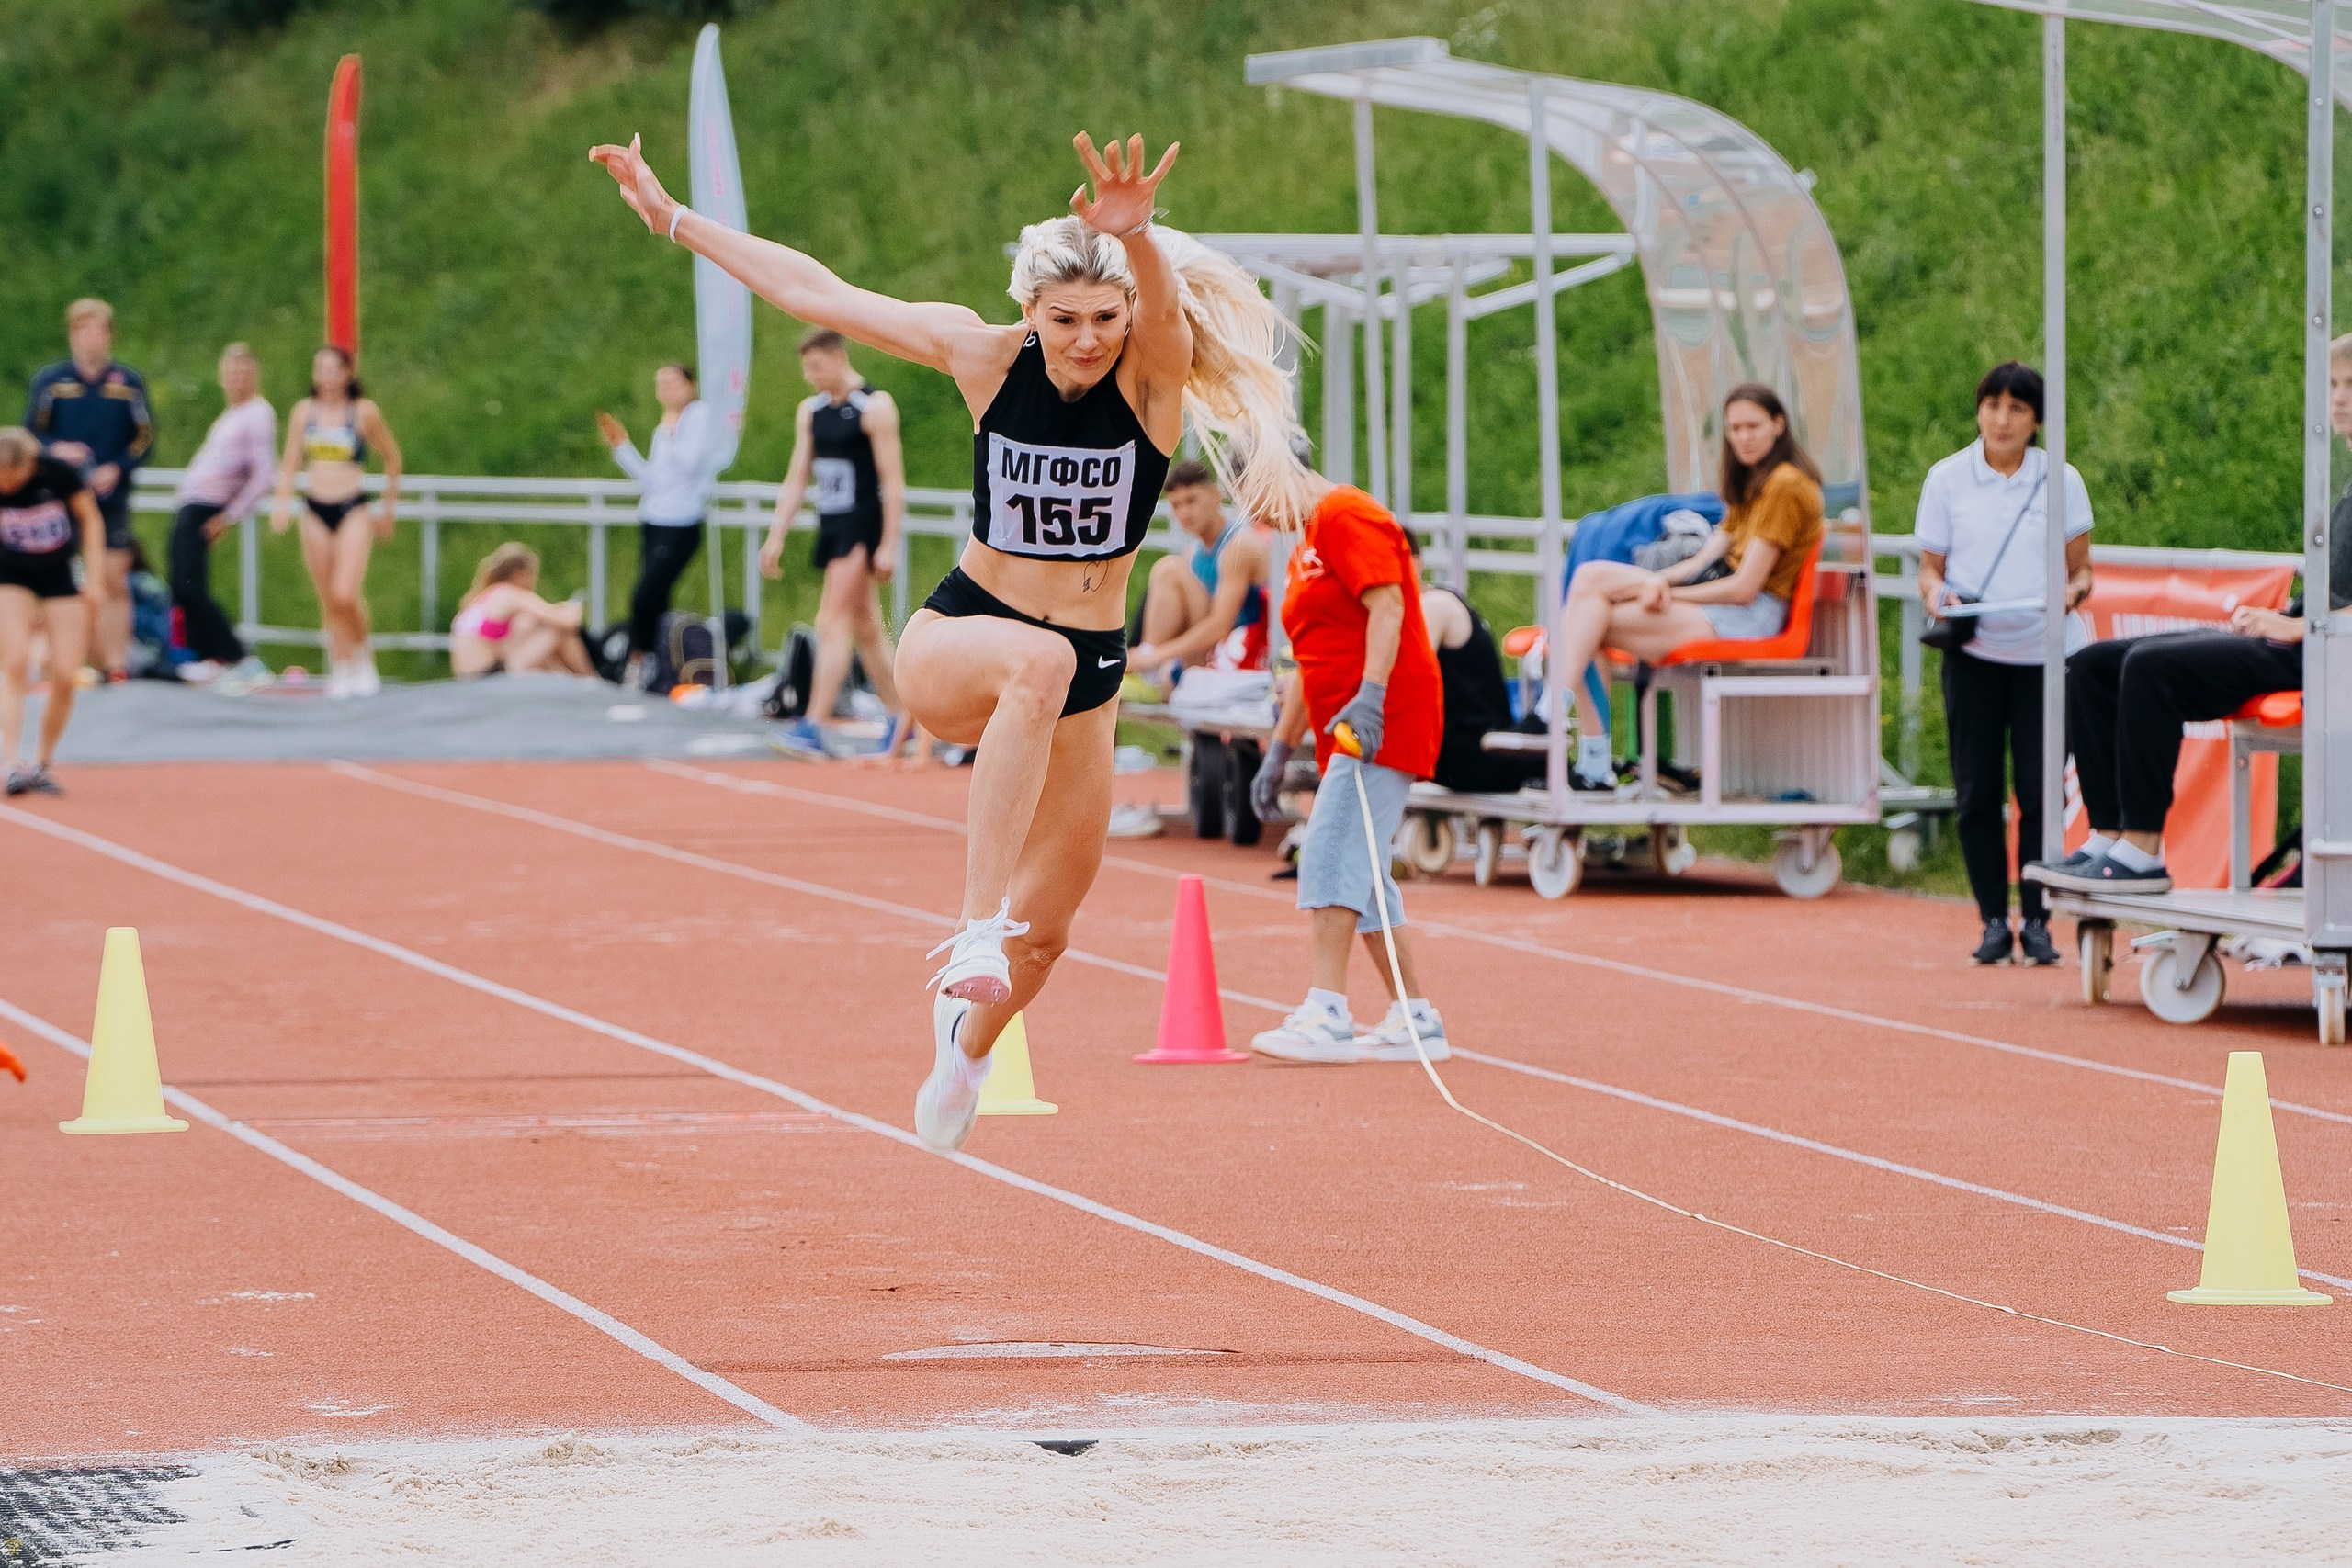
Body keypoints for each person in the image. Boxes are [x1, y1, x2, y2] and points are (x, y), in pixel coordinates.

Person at [593, 127, 1313, 1151]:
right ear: (1027, 310)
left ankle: (963, 1046)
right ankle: (971, 926)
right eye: (1063, 320)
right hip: (965, 632)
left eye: (1103, 320)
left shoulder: (1152, 379)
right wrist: (674, 219)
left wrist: (1136, 236)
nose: (1084, 341)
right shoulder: (985, 356)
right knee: (1036, 660)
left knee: (1053, 930)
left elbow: (1155, 308)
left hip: (1089, 677)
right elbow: (819, 293)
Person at [2033, 336, 2352, 897]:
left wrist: (2303, 627)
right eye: (2333, 386)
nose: (2340, 399)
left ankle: (2142, 852)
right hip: (2307, 634)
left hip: (2328, 654)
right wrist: (2292, 616)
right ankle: (2106, 838)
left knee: (2153, 668)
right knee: (2094, 664)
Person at [1245, 443, 1449, 1064]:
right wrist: (1280, 749)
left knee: (1331, 850)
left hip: (1382, 717)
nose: (1252, 515)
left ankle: (1328, 1011)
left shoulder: (1343, 515)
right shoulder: (1305, 540)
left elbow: (1388, 603)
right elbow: (1313, 658)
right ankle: (1415, 1017)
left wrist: (1372, 696)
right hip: (1347, 725)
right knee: (1365, 870)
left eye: (1250, 496)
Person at [1547, 384, 1824, 792]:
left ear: (1778, 425)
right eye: (1734, 428)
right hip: (1722, 599)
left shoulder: (1785, 485)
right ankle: (1563, 726)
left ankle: (1573, 740)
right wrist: (1660, 580)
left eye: (1753, 426)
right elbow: (1702, 559)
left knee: (1585, 620)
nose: (1743, 437)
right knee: (1590, 584)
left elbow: (1745, 588)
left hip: (1750, 614)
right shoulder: (1753, 482)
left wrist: (1669, 595)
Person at [1916, 362, 2094, 965]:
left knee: (2040, 792)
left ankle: (2039, 918)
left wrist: (2070, 595)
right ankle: (1994, 917)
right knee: (1976, 791)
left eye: (2017, 408)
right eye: (1992, 404)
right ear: (1978, 411)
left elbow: (2082, 569)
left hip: (2046, 655)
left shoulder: (2061, 479)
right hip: (1975, 654)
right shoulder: (1947, 478)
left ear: (2036, 420)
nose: (2002, 418)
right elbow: (1930, 567)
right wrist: (1937, 596)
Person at [760, 328, 909, 757]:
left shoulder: (874, 407)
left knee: (831, 620)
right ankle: (903, 717)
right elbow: (797, 476)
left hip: (862, 527)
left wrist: (888, 545)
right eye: (805, 367)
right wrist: (776, 536)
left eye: (816, 366)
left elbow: (893, 483)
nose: (810, 375)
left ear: (838, 358)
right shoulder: (812, 411)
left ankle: (813, 724)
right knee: (867, 630)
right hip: (832, 526)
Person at [27, 299, 152, 682]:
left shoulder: (127, 384)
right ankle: (69, 660)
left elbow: (144, 439)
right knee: (63, 578)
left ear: (109, 336)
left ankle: (115, 663)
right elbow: (31, 433)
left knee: (113, 578)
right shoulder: (53, 382)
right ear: (72, 336)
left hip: (110, 497)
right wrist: (56, 450)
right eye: (83, 331)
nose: (90, 339)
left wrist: (118, 467)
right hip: (62, 498)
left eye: (98, 331)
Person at [268, 346, 401, 698]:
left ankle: (362, 655)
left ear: (347, 374)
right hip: (315, 509)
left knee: (346, 592)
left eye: (333, 369)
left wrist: (388, 509)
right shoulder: (304, 412)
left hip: (352, 507)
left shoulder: (362, 413)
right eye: (320, 369)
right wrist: (282, 504)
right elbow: (291, 461)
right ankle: (341, 663)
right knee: (328, 597)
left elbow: (392, 457)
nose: (326, 376)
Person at [598, 364, 721, 692]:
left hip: (681, 521)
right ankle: (661, 666)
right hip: (655, 517)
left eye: (671, 383)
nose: (664, 390)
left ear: (690, 385)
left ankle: (640, 659)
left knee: (644, 595)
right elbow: (653, 478)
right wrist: (621, 447)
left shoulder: (698, 417)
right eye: (660, 384)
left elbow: (691, 463)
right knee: (657, 599)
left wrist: (671, 429)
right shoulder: (665, 425)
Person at [0, 427, 109, 795]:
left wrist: (94, 580)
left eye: (13, 476)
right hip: (8, 572)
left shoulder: (58, 474)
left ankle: (42, 763)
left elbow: (91, 520)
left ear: (30, 464)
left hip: (58, 572)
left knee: (65, 673)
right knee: (14, 661)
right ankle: (11, 762)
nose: (7, 484)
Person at [170, 343, 278, 694]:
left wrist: (229, 516)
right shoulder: (231, 414)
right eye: (232, 372)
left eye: (244, 372)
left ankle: (238, 657)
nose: (237, 379)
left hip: (208, 506)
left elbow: (263, 473)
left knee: (191, 586)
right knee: (182, 585)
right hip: (194, 501)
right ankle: (208, 656)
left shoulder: (257, 414)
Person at [1125, 457, 1272, 691]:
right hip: (1213, 649)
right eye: (1176, 505)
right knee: (1169, 569)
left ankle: (1148, 667)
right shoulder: (1193, 553)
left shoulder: (1239, 545)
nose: (1184, 512)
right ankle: (1147, 665)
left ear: (1215, 494)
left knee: (1169, 569)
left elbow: (1220, 625)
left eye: (1191, 501)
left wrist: (1155, 656)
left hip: (1243, 650)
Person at [1421, 580, 1546, 795]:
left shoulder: (1435, 604)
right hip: (1474, 751)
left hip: (1475, 756)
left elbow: (1412, 681)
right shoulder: (1436, 602)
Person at [450, 543, 594, 678]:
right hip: (490, 673)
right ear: (521, 574)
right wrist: (573, 609)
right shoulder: (509, 594)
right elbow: (567, 622)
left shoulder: (481, 598)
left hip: (469, 675)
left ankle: (569, 681)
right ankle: (592, 681)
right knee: (558, 631)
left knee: (532, 628)